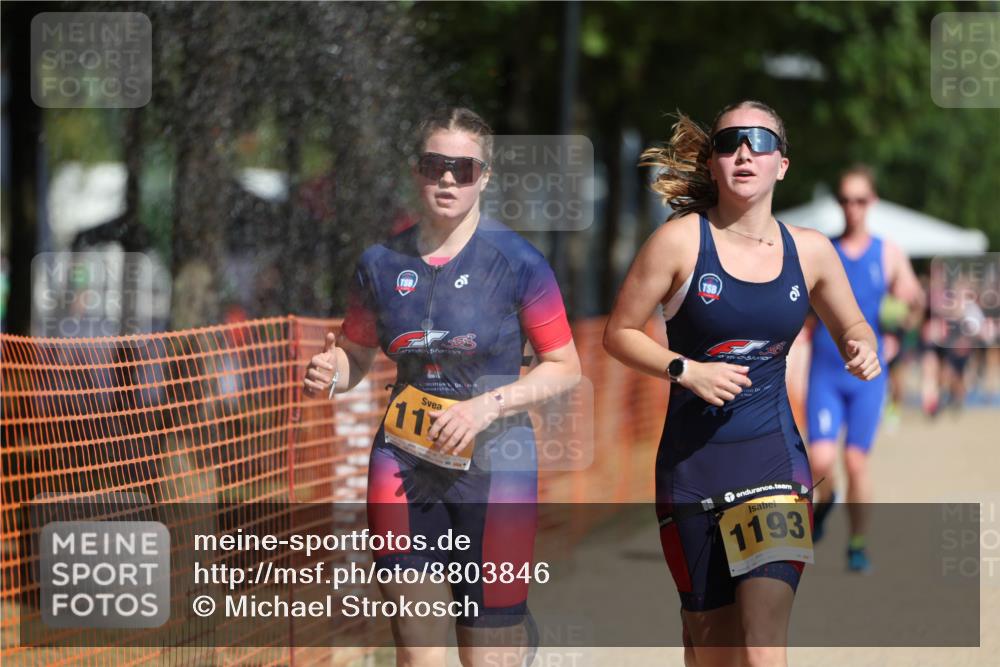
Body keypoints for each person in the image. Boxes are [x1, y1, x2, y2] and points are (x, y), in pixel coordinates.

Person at [604, 100, 881, 667]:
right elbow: (619, 333)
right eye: (729, 142)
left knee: (762, 642)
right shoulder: (680, 243)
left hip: (772, 466)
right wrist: (685, 369)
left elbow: (852, 322)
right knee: (712, 651)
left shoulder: (811, 251)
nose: (744, 152)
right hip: (692, 470)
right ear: (712, 164)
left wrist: (861, 345)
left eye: (758, 141)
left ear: (783, 164)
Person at [304, 107, 580, 667]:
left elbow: (564, 366)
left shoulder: (520, 263)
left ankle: (516, 641)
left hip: (496, 466)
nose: (448, 179)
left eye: (463, 167)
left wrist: (484, 408)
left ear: (485, 176)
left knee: (488, 655)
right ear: (417, 171)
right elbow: (356, 352)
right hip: (403, 460)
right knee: (420, 651)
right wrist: (333, 372)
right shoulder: (379, 264)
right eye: (435, 166)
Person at [806, 165, 924, 571]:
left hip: (867, 378)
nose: (851, 208)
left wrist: (899, 336)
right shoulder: (823, 249)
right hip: (824, 369)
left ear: (871, 202)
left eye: (859, 200)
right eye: (844, 200)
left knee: (856, 462)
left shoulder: (887, 252)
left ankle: (857, 542)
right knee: (819, 461)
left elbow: (915, 302)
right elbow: (803, 313)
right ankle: (826, 503)